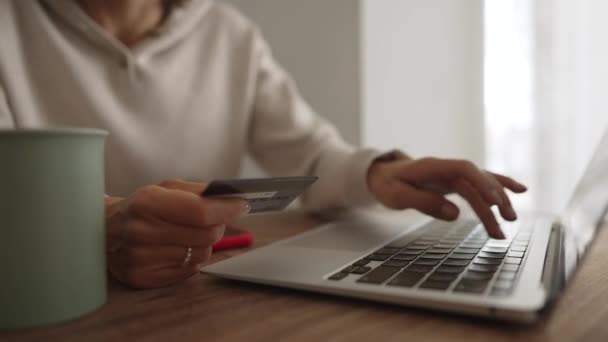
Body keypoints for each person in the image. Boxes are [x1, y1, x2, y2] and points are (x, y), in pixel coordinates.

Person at [0, 0, 527, 289]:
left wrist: (376, 174)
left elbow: (312, 155)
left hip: (197, 299)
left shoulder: (231, 34)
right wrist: (98, 224)